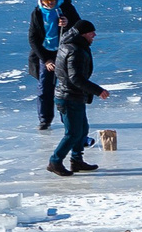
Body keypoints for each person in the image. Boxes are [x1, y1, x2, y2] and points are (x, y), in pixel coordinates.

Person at [47, 14, 110, 176]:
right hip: (68, 97)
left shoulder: (73, 45)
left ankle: (76, 160)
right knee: (73, 133)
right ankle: (55, 161)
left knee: (82, 130)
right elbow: (75, 78)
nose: (94, 35)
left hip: (74, 96)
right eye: (91, 33)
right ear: (83, 34)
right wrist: (97, 90)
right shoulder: (75, 50)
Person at [26, 0, 74, 131]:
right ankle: (45, 120)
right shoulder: (37, 13)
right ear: (41, 1)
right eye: (47, 0)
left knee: (67, 87)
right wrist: (46, 60)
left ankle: (68, 118)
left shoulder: (65, 7)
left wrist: (67, 23)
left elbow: (79, 26)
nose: (51, 2)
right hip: (46, 53)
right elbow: (33, 39)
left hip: (64, 52)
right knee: (45, 87)